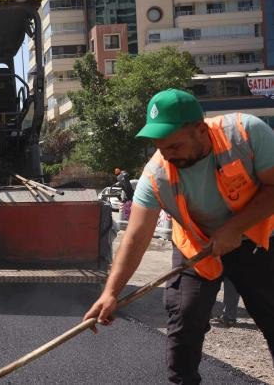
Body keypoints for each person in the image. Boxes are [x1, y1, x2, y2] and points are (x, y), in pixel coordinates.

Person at [84, 89, 274, 384]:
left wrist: (235, 228)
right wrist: (110, 292)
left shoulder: (245, 133)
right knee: (185, 317)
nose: (167, 154)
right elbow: (135, 237)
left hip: (256, 239)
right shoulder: (156, 175)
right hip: (197, 246)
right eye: (160, 147)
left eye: (174, 145)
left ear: (201, 128)